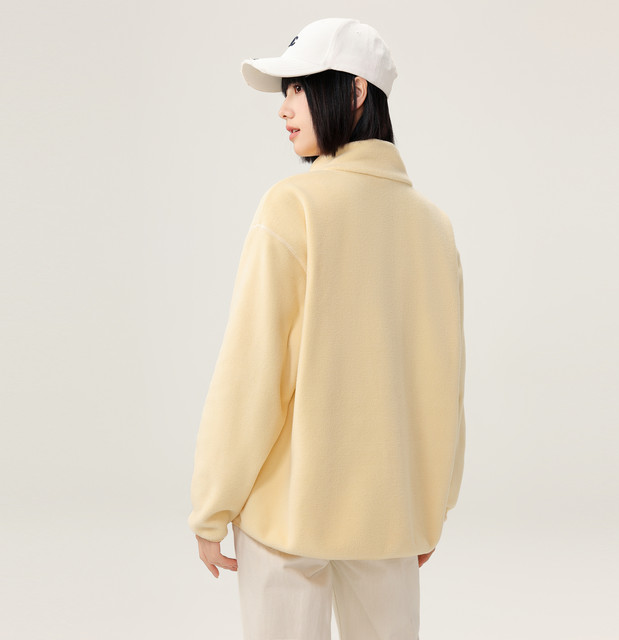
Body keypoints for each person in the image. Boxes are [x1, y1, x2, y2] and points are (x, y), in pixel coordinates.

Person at [188, 17, 466, 639]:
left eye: (299, 88)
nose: (284, 108)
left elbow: (252, 373)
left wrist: (213, 505)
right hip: (390, 517)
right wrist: (433, 507)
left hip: (287, 519)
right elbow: (445, 385)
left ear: (357, 91)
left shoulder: (294, 207)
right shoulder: (435, 228)